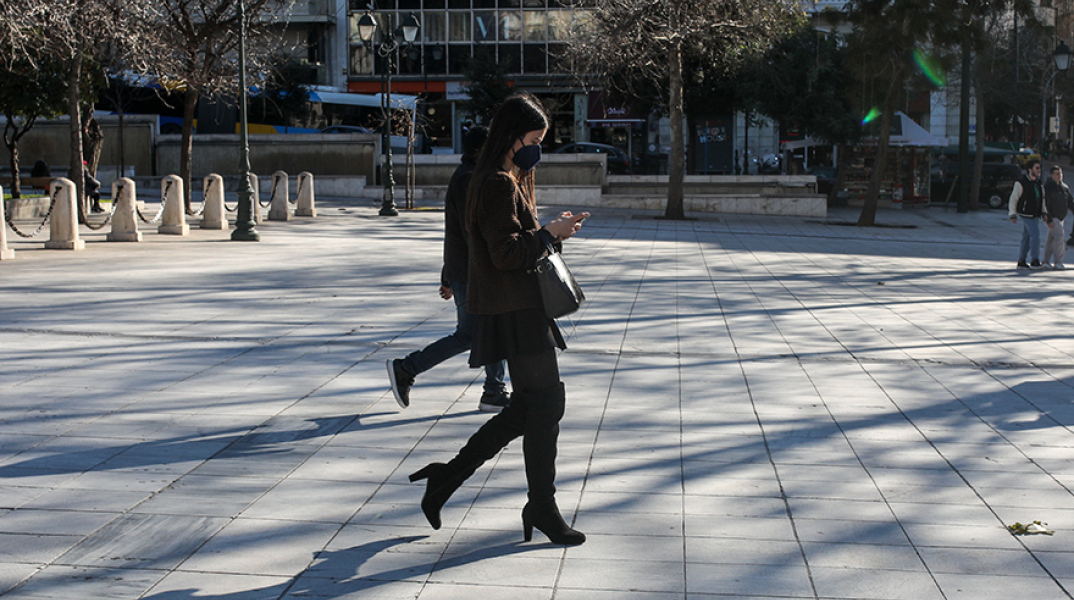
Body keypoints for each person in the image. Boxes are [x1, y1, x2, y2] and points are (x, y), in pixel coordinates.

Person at [408, 93, 590, 546]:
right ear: (511, 136)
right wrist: (549, 232)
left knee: (530, 408)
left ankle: (448, 479)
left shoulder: (506, 178)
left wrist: (551, 232)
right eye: (533, 139)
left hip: (518, 308)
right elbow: (505, 253)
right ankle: (540, 507)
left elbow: (519, 243)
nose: (537, 149)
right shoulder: (495, 183)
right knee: (545, 406)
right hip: (515, 310)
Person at [387, 126, 511, 413]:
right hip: (472, 273)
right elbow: (471, 234)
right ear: (482, 150)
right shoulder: (469, 180)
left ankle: (494, 391)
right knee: (471, 334)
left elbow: (457, 234)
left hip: (467, 272)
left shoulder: (470, 176)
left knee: (490, 330)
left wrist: (448, 277)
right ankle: (406, 368)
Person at [1009, 159, 1046, 269]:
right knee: (1035, 235)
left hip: (1035, 214)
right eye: (1037, 168)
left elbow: (1042, 199)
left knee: (1026, 237)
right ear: (1030, 170)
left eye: (1039, 168)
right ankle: (1034, 259)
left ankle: (1022, 260)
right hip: (1026, 213)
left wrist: (1044, 212)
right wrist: (1012, 214)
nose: (1039, 170)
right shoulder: (1021, 183)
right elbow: (1014, 198)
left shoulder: (1038, 183)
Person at [1043, 164, 1074, 269]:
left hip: (1061, 218)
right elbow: (1045, 204)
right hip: (1052, 217)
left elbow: (1070, 202)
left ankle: (1046, 261)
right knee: (1060, 238)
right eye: (1057, 174)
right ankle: (1058, 262)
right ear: (1051, 175)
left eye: (1060, 174)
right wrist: (1048, 218)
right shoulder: (1048, 187)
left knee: (1051, 240)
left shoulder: (1064, 187)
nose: (1059, 176)